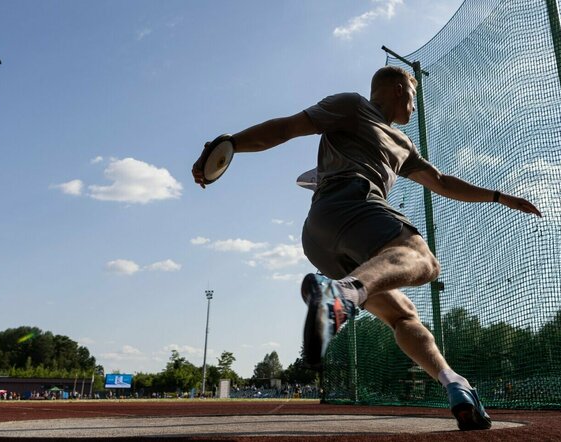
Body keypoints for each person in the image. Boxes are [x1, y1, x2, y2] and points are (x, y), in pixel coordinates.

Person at [192, 66, 542, 431]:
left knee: (403, 315)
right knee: (423, 260)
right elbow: (286, 128)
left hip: (324, 240)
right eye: (413, 93)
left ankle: (456, 385)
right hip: (351, 203)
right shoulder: (352, 106)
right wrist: (229, 144)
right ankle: (342, 293)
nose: (414, 105)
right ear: (397, 88)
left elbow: (439, 181)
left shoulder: (403, 144)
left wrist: (498, 197)